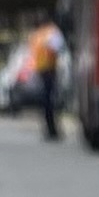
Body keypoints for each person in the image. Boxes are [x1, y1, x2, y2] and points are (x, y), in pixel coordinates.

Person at [28, 15, 66, 144]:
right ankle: (52, 129)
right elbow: (59, 47)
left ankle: (49, 129)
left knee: (45, 101)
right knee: (50, 101)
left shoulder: (37, 34)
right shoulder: (52, 32)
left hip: (41, 70)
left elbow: (33, 51)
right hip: (50, 69)